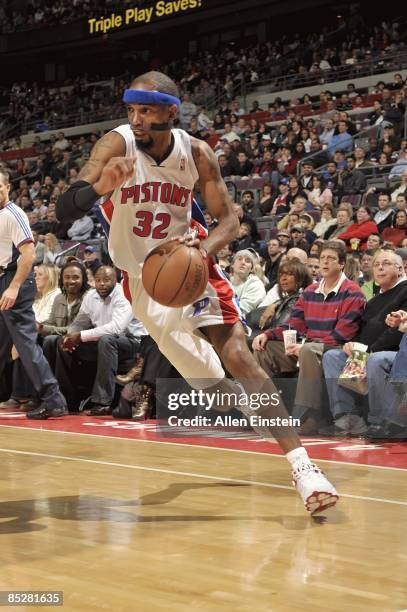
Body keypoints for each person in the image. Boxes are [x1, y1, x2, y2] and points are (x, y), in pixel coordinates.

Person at [56, 70, 338, 514]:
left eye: (146, 110)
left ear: (172, 111)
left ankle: (304, 467)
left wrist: (203, 249)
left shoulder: (198, 154)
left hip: (190, 266)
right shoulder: (117, 144)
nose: (137, 119)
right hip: (141, 281)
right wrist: (97, 188)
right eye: (131, 110)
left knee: (238, 354)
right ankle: (247, 407)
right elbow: (62, 207)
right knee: (208, 383)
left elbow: (230, 221)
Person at [252, 241, 366, 434]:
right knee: (264, 348)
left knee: (307, 350)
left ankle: (307, 417)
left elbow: (342, 335)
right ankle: (268, 411)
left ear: (341, 264)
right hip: (308, 347)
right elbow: (294, 324)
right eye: (322, 258)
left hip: (336, 349)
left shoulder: (353, 292)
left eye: (331, 258)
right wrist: (266, 334)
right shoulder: (310, 291)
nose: (325, 262)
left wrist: (305, 345)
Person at [0, 168, 67, 419]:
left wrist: (14, 287)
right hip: (3, 279)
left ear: (8, 187)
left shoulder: (13, 214)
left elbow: (29, 255)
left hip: (15, 279)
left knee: (25, 343)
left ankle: (54, 399)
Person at [321, 249, 407, 436]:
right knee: (332, 357)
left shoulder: (405, 290)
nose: (380, 268)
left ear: (400, 269)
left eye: (386, 263)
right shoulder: (374, 300)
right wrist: (352, 345)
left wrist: (367, 351)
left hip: (396, 352)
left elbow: (397, 333)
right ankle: (347, 418)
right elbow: (361, 331)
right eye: (376, 265)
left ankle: (383, 422)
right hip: (368, 351)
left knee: (375, 360)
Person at [51, 265, 138, 414]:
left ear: (115, 280)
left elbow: (117, 328)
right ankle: (67, 399)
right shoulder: (91, 296)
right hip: (102, 341)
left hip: (131, 343)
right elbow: (79, 322)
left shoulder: (123, 294)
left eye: (106, 280)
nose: (102, 284)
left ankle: (102, 402)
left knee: (107, 340)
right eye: (98, 280)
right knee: (59, 342)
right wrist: (70, 336)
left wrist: (81, 336)